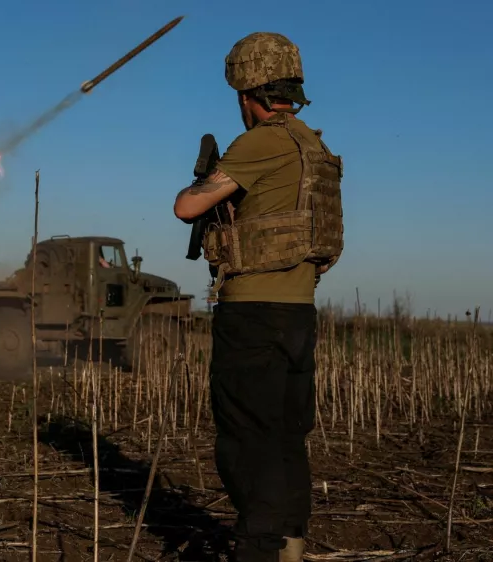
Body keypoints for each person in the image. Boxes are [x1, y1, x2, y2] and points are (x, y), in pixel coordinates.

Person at [172, 32, 344, 562]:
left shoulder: (260, 141)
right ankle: (289, 547)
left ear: (247, 91)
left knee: (247, 439)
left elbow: (185, 207)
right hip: (298, 313)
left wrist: (201, 182)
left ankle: (258, 549)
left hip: (252, 314)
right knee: (287, 436)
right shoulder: (312, 144)